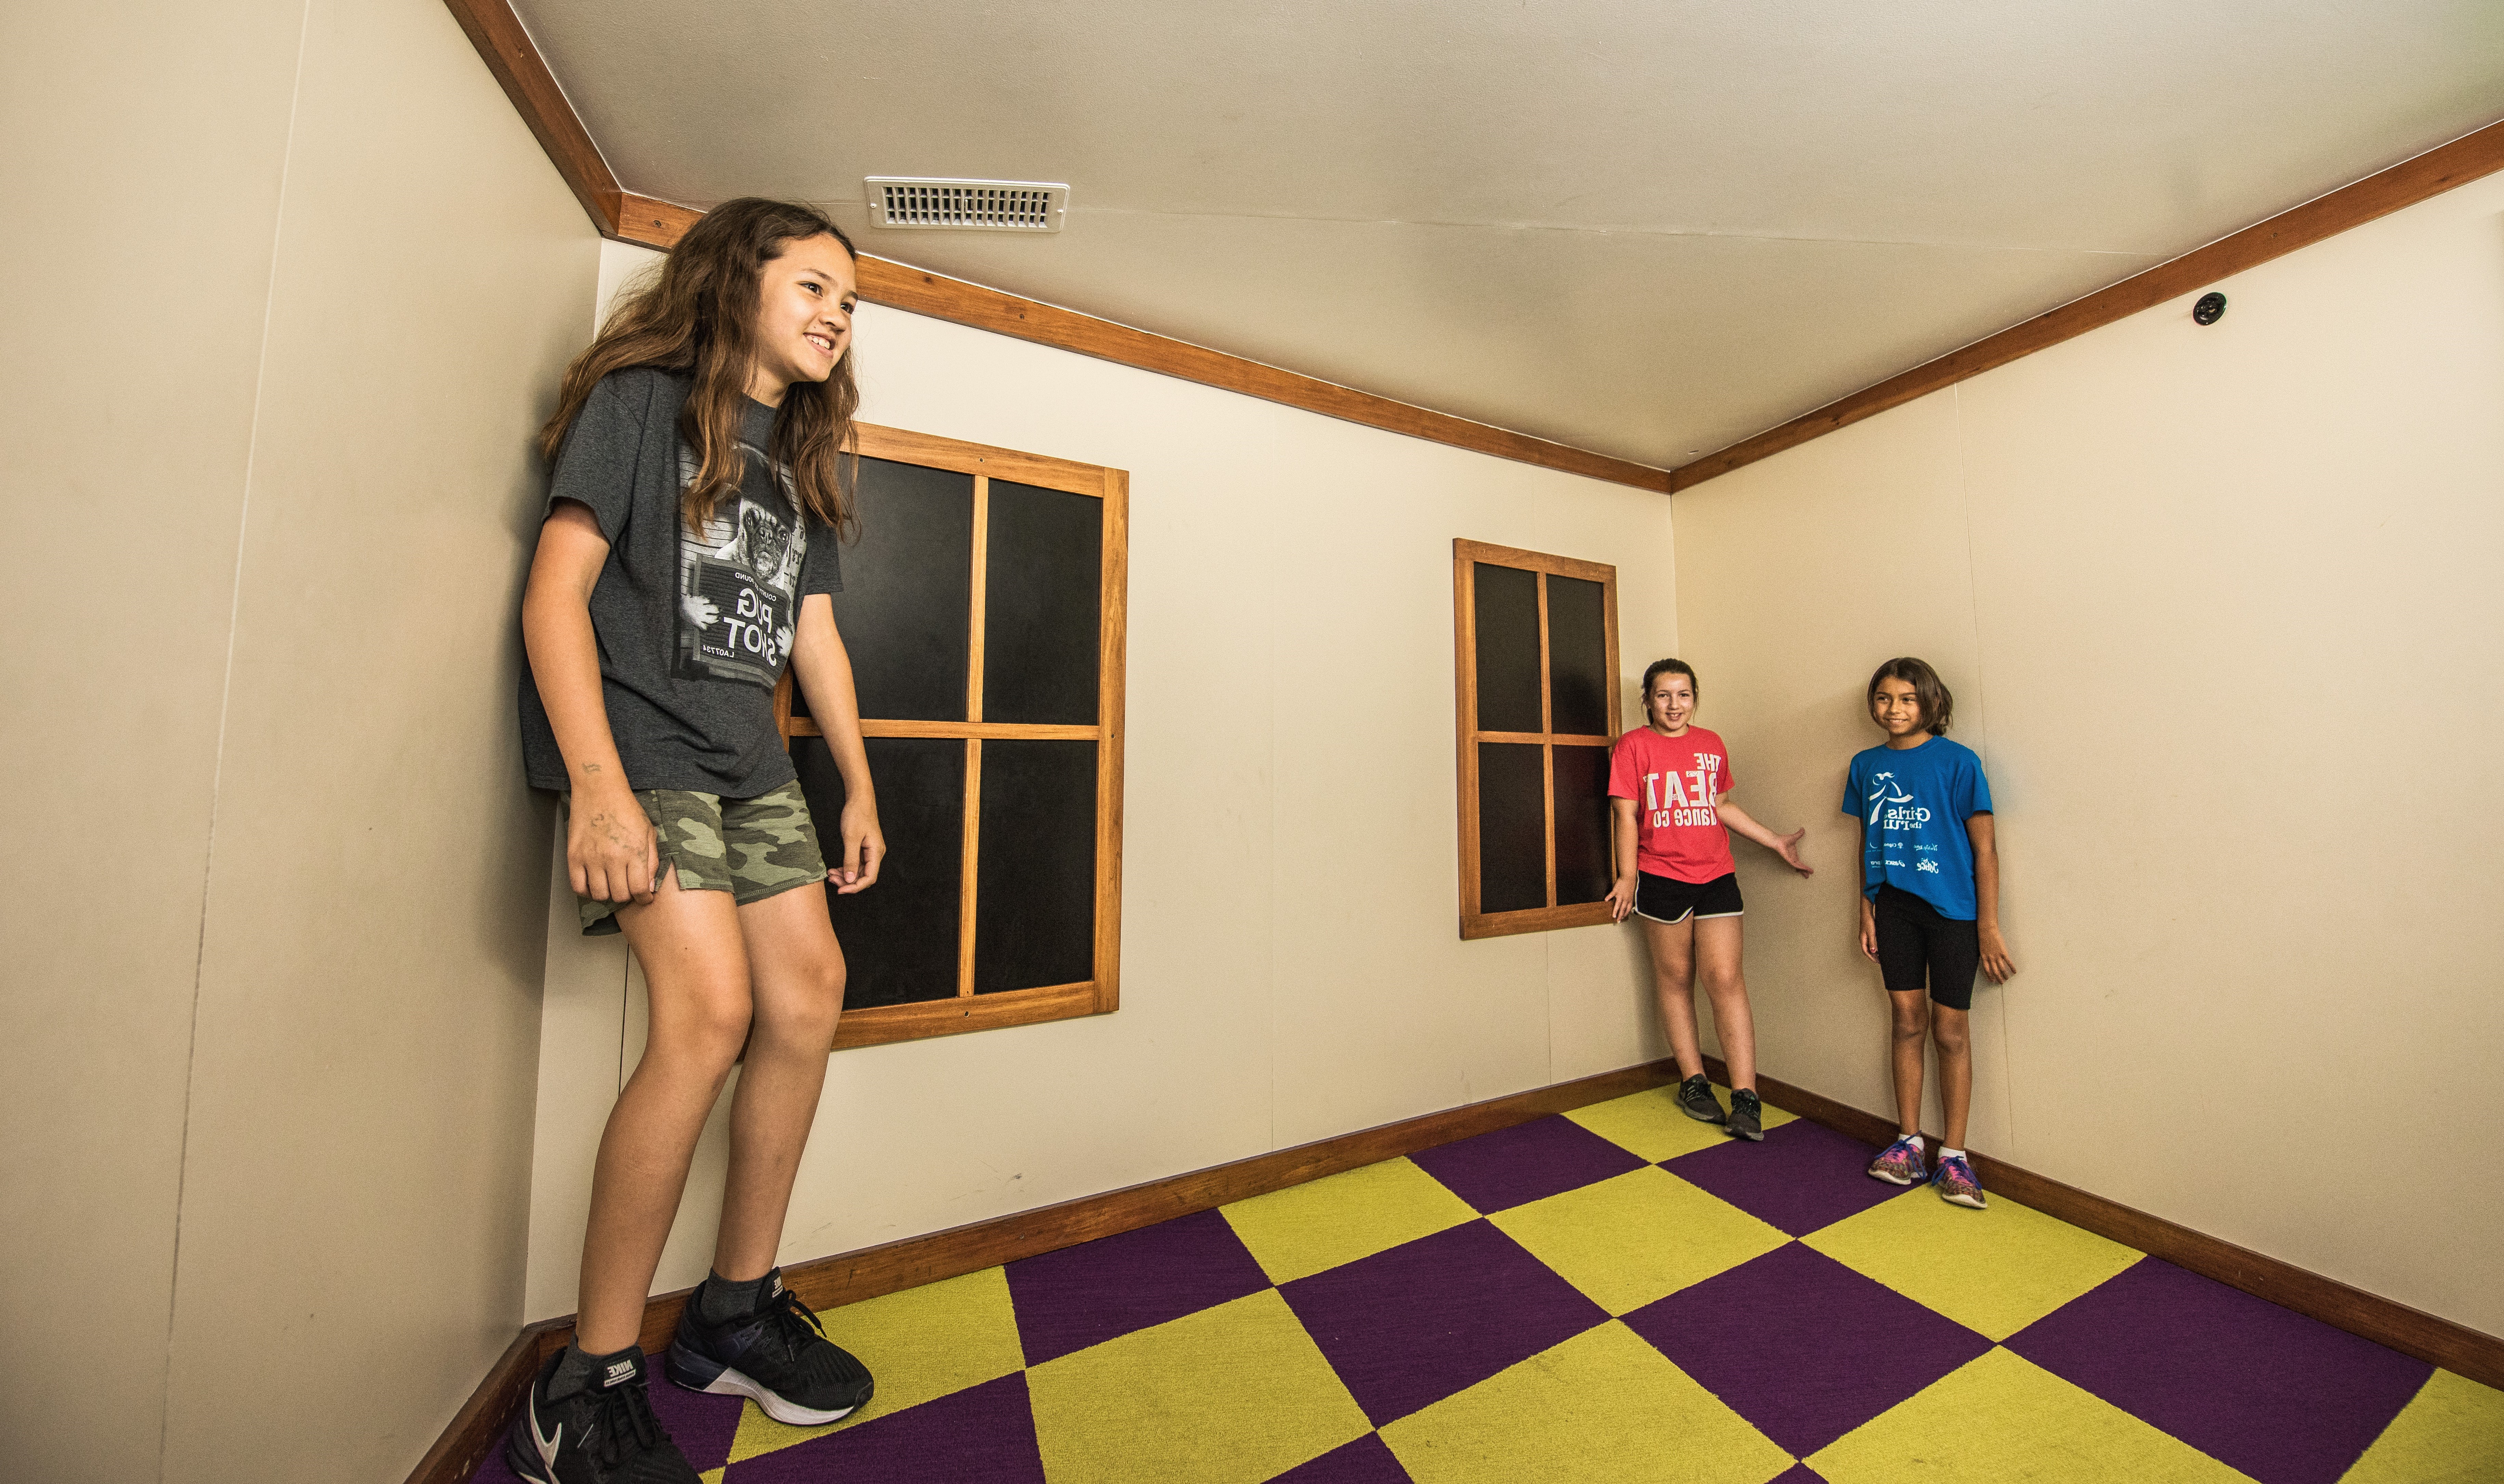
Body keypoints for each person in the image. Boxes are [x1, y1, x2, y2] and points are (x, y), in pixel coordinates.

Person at [507, 199, 885, 1484]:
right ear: (737, 282)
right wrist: (598, 789)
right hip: (648, 747)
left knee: (810, 995)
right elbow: (556, 591)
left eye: (852, 299)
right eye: (816, 285)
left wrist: (858, 786)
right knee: (708, 1016)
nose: (839, 311)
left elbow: (812, 636)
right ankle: (585, 1382)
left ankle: (731, 1311)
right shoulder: (642, 400)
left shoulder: (807, 455)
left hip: (750, 758)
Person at [1606, 659, 1812, 1141]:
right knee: (1676, 977)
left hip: (1716, 874)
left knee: (1725, 977)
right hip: (1661, 876)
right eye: (1664, 695)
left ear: (1695, 698)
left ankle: (1746, 1095)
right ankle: (1693, 1081)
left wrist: (1774, 841)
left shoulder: (1711, 745)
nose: (1674, 705)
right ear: (1648, 701)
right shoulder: (1633, 747)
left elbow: (1720, 806)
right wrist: (1627, 877)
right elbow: (1626, 815)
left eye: (1683, 695)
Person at [1848, 657, 2015, 1209]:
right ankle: (1908, 1142)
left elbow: (1985, 851)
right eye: (1885, 698)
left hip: (1953, 913)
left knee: (1951, 1031)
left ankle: (1955, 1156)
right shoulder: (1865, 765)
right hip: (1894, 907)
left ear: (1931, 704)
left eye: (1907, 699)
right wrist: (1867, 904)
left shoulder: (1960, 764)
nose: (1894, 709)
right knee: (1906, 1021)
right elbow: (1867, 840)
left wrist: (1988, 927)